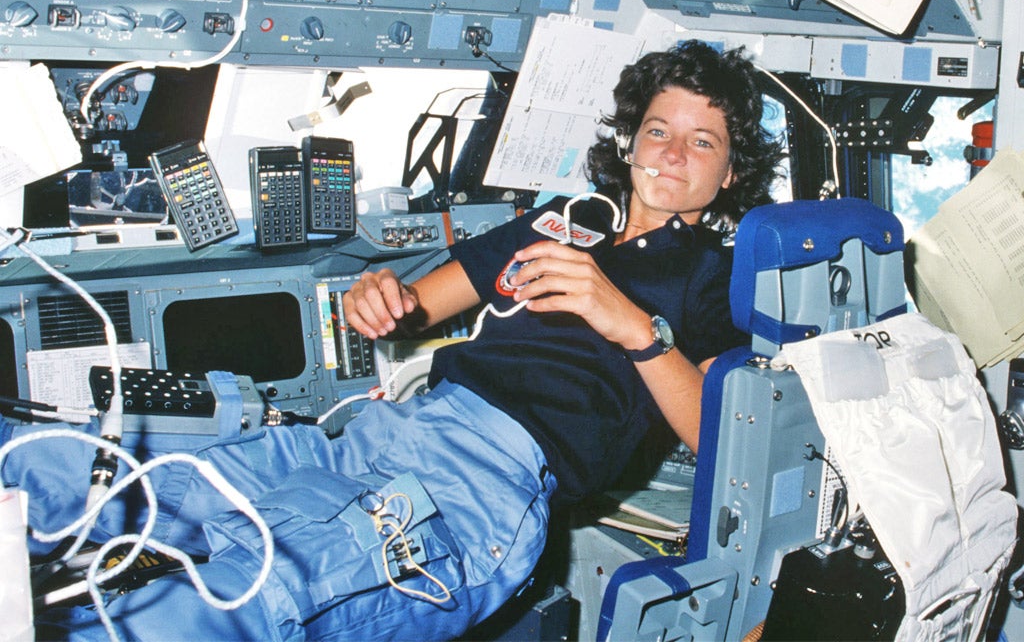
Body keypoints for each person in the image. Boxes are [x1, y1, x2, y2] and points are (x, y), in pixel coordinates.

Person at [1, 40, 784, 641]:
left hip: (477, 494)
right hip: (371, 438)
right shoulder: (558, 222)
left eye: (702, 142)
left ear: (729, 172)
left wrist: (633, 327)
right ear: (631, 142)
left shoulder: (717, 278)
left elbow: (720, 437)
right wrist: (380, 297)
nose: (672, 154)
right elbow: (409, 303)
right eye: (658, 130)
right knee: (95, 473)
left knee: (232, 606)